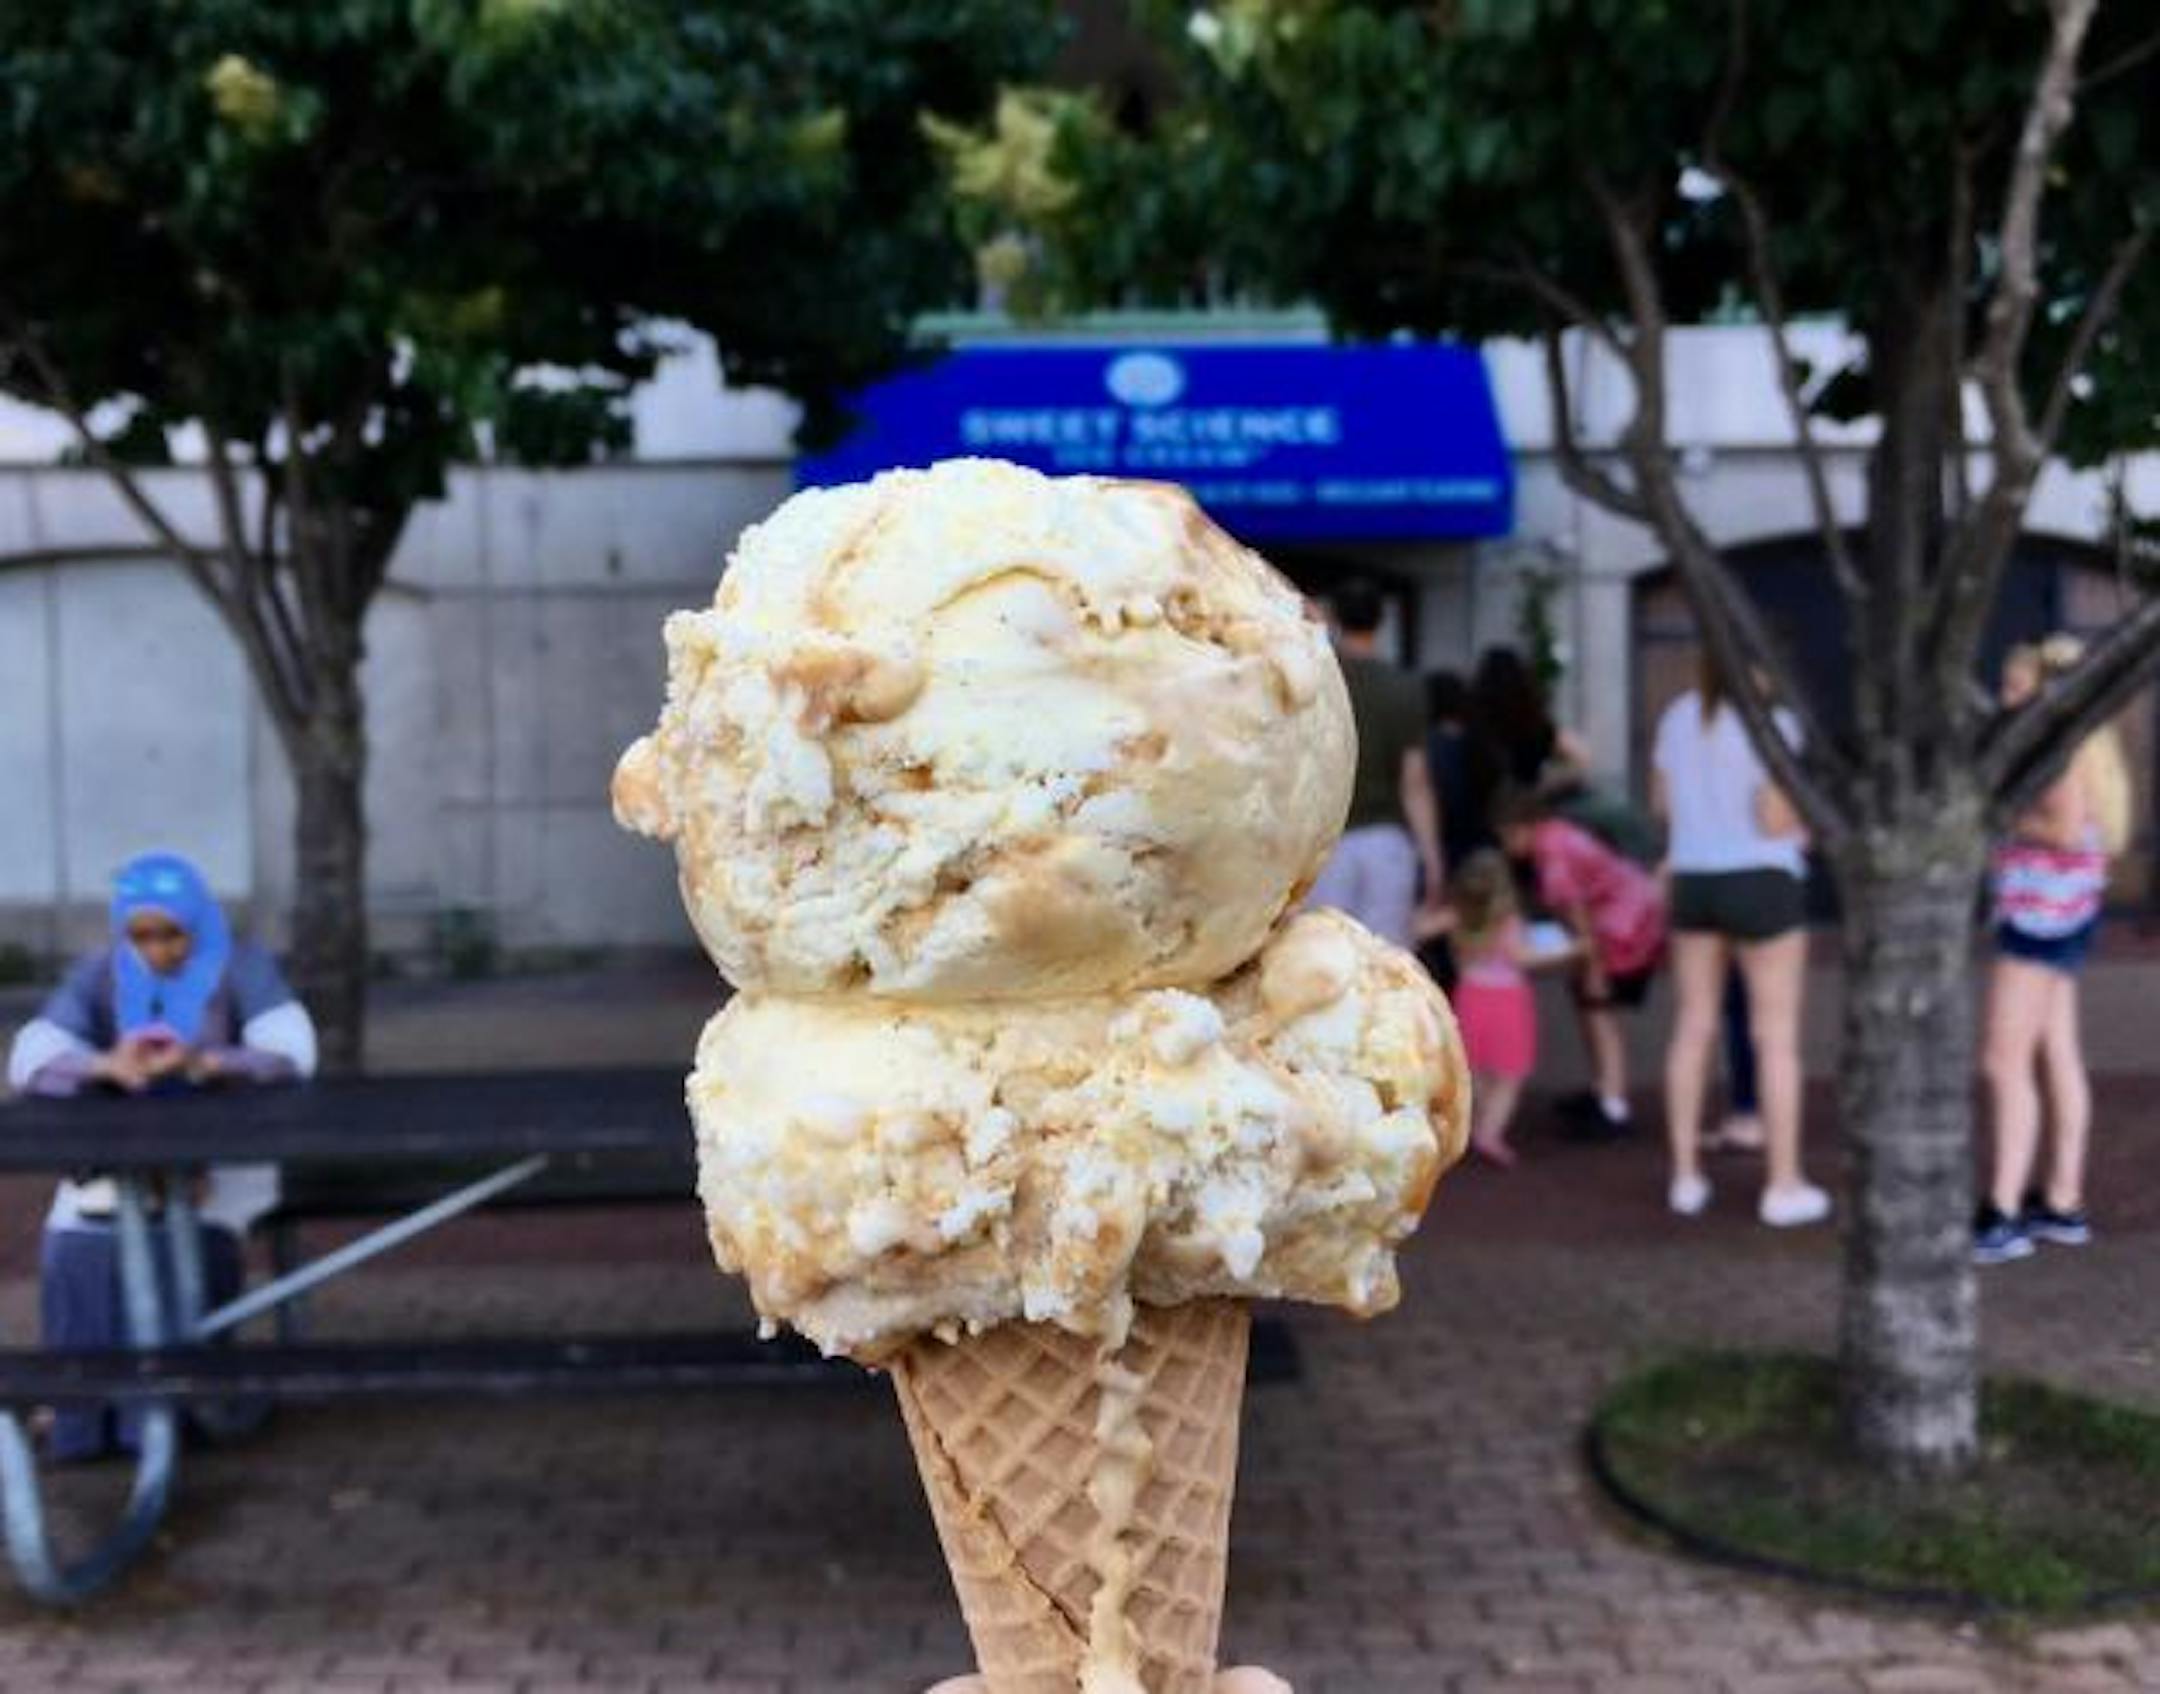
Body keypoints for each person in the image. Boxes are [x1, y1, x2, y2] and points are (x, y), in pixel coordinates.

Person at [4, 851, 317, 1460]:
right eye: (142, 936)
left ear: (197, 922)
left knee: (185, 1240)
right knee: (74, 1239)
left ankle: (169, 1414)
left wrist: (208, 1063)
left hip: (226, 1162)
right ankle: (80, 1419)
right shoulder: (102, 973)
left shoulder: (243, 968)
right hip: (120, 1161)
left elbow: (292, 1053)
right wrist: (104, 1064)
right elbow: (33, 1055)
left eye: (172, 934)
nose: (158, 951)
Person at [1975, 635, 2132, 1264]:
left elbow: (2064, 830)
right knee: (2057, 1052)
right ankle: (2062, 1200)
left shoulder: (2057, 751)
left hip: (2039, 920)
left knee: (2003, 1062)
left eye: (2017, 687)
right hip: (2068, 913)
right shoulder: (2088, 747)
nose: (2005, 697)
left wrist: (1997, 817)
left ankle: (2003, 1211)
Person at [1652, 660, 1826, 1227]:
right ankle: (1783, 1183)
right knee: (1775, 1037)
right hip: (1763, 879)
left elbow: (1662, 806)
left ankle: (1685, 1176)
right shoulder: (1774, 724)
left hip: (1694, 879)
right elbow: (1774, 818)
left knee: (1693, 1026)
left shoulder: (1677, 717)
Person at [1494, 791, 1665, 1136]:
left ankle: (1614, 1104)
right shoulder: (1560, 836)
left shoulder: (1552, 850)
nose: (1507, 847)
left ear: (1524, 827)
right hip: (1624, 919)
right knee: (1590, 1006)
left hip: (1623, 928)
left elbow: (1576, 909)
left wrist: (1593, 962)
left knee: (1599, 1009)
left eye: (1509, 837)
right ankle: (1604, 1089)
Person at [1307, 578, 1443, 947]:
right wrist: (1432, 855)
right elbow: (1415, 782)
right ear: (1380, 621)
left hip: (1326, 843)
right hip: (1387, 842)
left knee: (1326, 951)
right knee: (1384, 955)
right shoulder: (1405, 686)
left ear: (1336, 619)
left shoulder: (1319, 681)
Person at [1431, 849, 1570, 1167]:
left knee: (1475, 1068)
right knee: (1510, 1073)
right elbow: (1523, 957)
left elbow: (1419, 927)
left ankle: (1481, 1124)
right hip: (1507, 1000)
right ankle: (1489, 1133)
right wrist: (1568, 951)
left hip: (1470, 996)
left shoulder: (1457, 914)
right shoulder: (1509, 921)